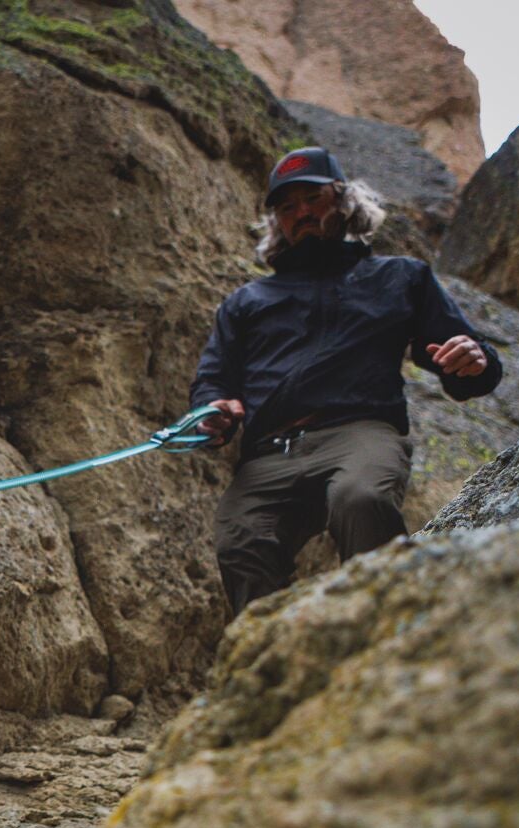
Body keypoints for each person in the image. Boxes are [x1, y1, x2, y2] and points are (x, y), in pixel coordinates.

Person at [191, 146, 503, 614]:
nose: (302, 213)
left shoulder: (400, 277)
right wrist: (214, 412)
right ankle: (276, 671)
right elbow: (215, 378)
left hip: (360, 432)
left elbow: (463, 358)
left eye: (313, 199)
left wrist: (473, 361)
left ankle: (390, 629)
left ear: (343, 201)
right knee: (241, 538)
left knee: (360, 498)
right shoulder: (247, 301)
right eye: (287, 207)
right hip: (270, 450)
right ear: (277, 222)